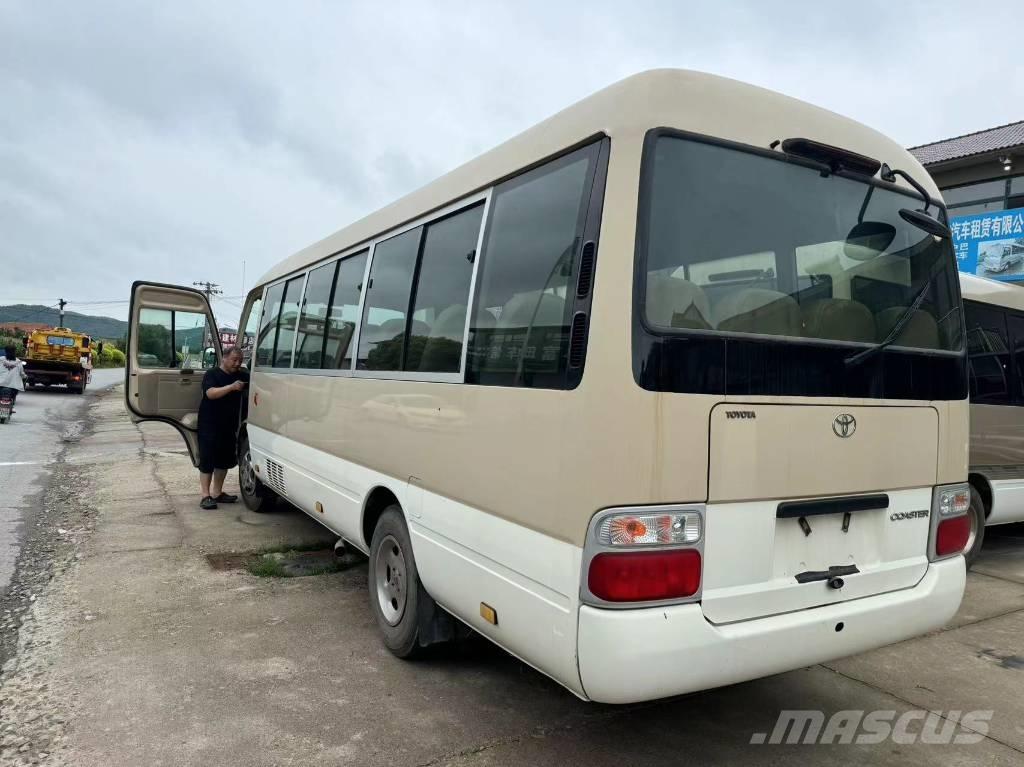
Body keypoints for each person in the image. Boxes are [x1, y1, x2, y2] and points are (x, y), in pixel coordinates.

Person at [197, 347, 249, 509]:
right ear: (224, 358)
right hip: (209, 423)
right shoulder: (212, 374)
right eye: (234, 360)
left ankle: (218, 493)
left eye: (240, 360)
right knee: (208, 460)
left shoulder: (241, 374)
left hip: (230, 424)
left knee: (224, 460)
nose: (237, 363)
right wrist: (231, 387)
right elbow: (210, 394)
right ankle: (205, 496)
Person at [0, 345, 27, 410]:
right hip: (13, 386)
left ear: (5, 351)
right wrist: (25, 376)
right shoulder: (18, 362)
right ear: (15, 352)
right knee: (13, 395)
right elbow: (22, 374)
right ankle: (11, 406)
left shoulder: (0, 360)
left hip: (0, 384)